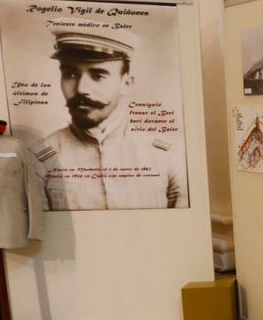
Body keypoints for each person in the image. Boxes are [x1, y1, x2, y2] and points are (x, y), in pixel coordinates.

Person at [33, 27, 185, 210]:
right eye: (70, 74)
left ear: (126, 84)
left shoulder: (167, 154)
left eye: (98, 76)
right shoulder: (40, 159)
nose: (81, 88)